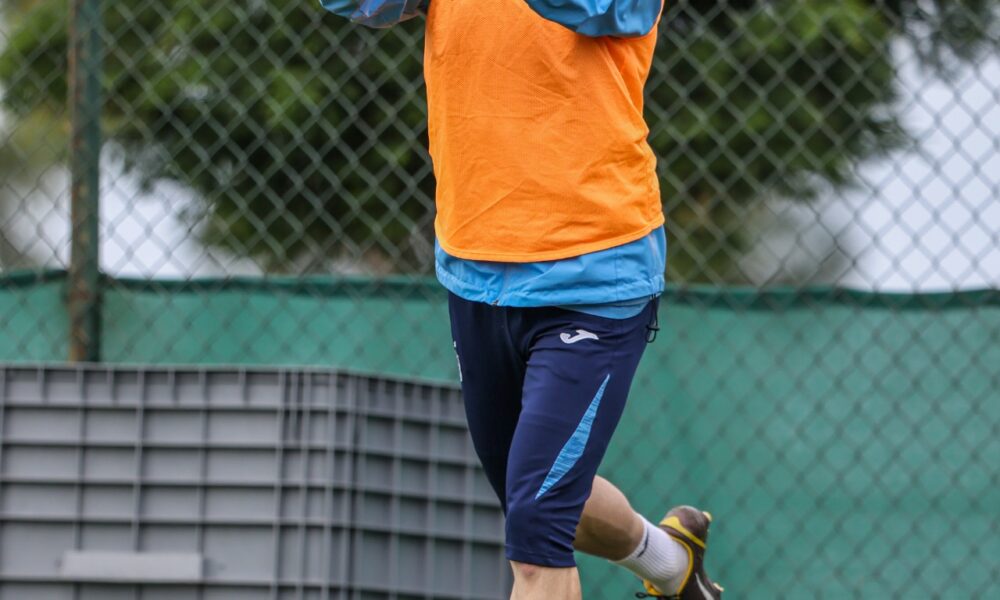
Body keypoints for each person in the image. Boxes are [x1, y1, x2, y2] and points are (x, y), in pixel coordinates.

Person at [321, 1, 724, 598]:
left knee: (536, 528)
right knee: (537, 495)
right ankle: (670, 562)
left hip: (591, 275)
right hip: (475, 268)